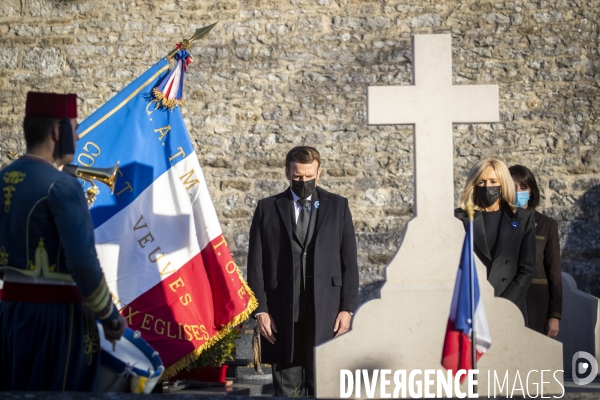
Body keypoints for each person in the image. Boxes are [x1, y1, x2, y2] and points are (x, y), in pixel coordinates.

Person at [0, 92, 126, 390]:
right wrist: (109, 315)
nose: (79, 134)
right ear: (59, 131)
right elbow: (83, 265)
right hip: (57, 321)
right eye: (75, 126)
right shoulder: (63, 186)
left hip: (9, 315)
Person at [247, 146, 359, 397]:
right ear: (287, 172)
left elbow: (349, 263)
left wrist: (347, 308)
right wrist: (261, 310)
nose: (304, 181)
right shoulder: (267, 208)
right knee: (286, 390)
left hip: (327, 314)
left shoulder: (339, 206)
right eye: (298, 177)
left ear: (319, 172)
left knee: (324, 387)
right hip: (280, 316)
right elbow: (255, 263)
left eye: (309, 176)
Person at [455, 158, 535, 321]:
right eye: (481, 182)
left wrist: (504, 305)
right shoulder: (459, 218)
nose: (487, 187)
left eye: (493, 181)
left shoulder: (522, 218)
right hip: (470, 306)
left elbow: (526, 269)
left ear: (503, 183)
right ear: (474, 184)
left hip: (509, 307)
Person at [509, 164, 562, 338]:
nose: (518, 192)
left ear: (531, 191)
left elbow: (554, 271)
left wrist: (554, 315)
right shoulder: (500, 223)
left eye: (523, 187)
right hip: (507, 299)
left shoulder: (547, 225)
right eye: (513, 187)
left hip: (537, 302)